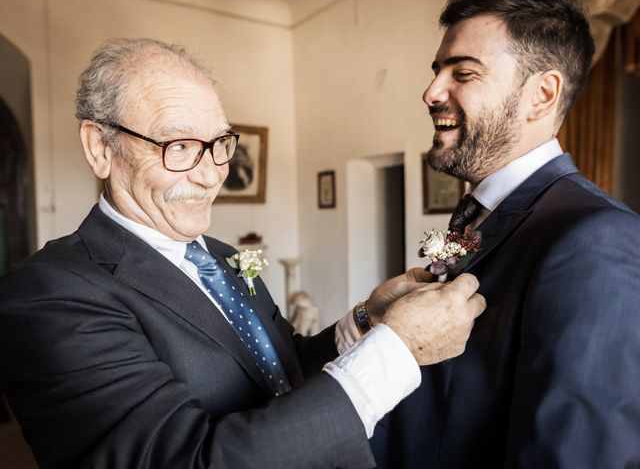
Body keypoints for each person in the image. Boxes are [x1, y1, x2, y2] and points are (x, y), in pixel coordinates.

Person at [0, 38, 486, 469]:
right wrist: (395, 350)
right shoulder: (48, 296)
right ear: (100, 148)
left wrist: (366, 320)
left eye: (218, 144)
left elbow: (279, 365)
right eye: (179, 144)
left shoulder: (220, 254)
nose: (212, 175)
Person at [370, 0, 640, 468]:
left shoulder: (594, 237)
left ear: (542, 94)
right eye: (437, 71)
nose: (431, 92)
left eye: (463, 72)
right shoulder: (480, 213)